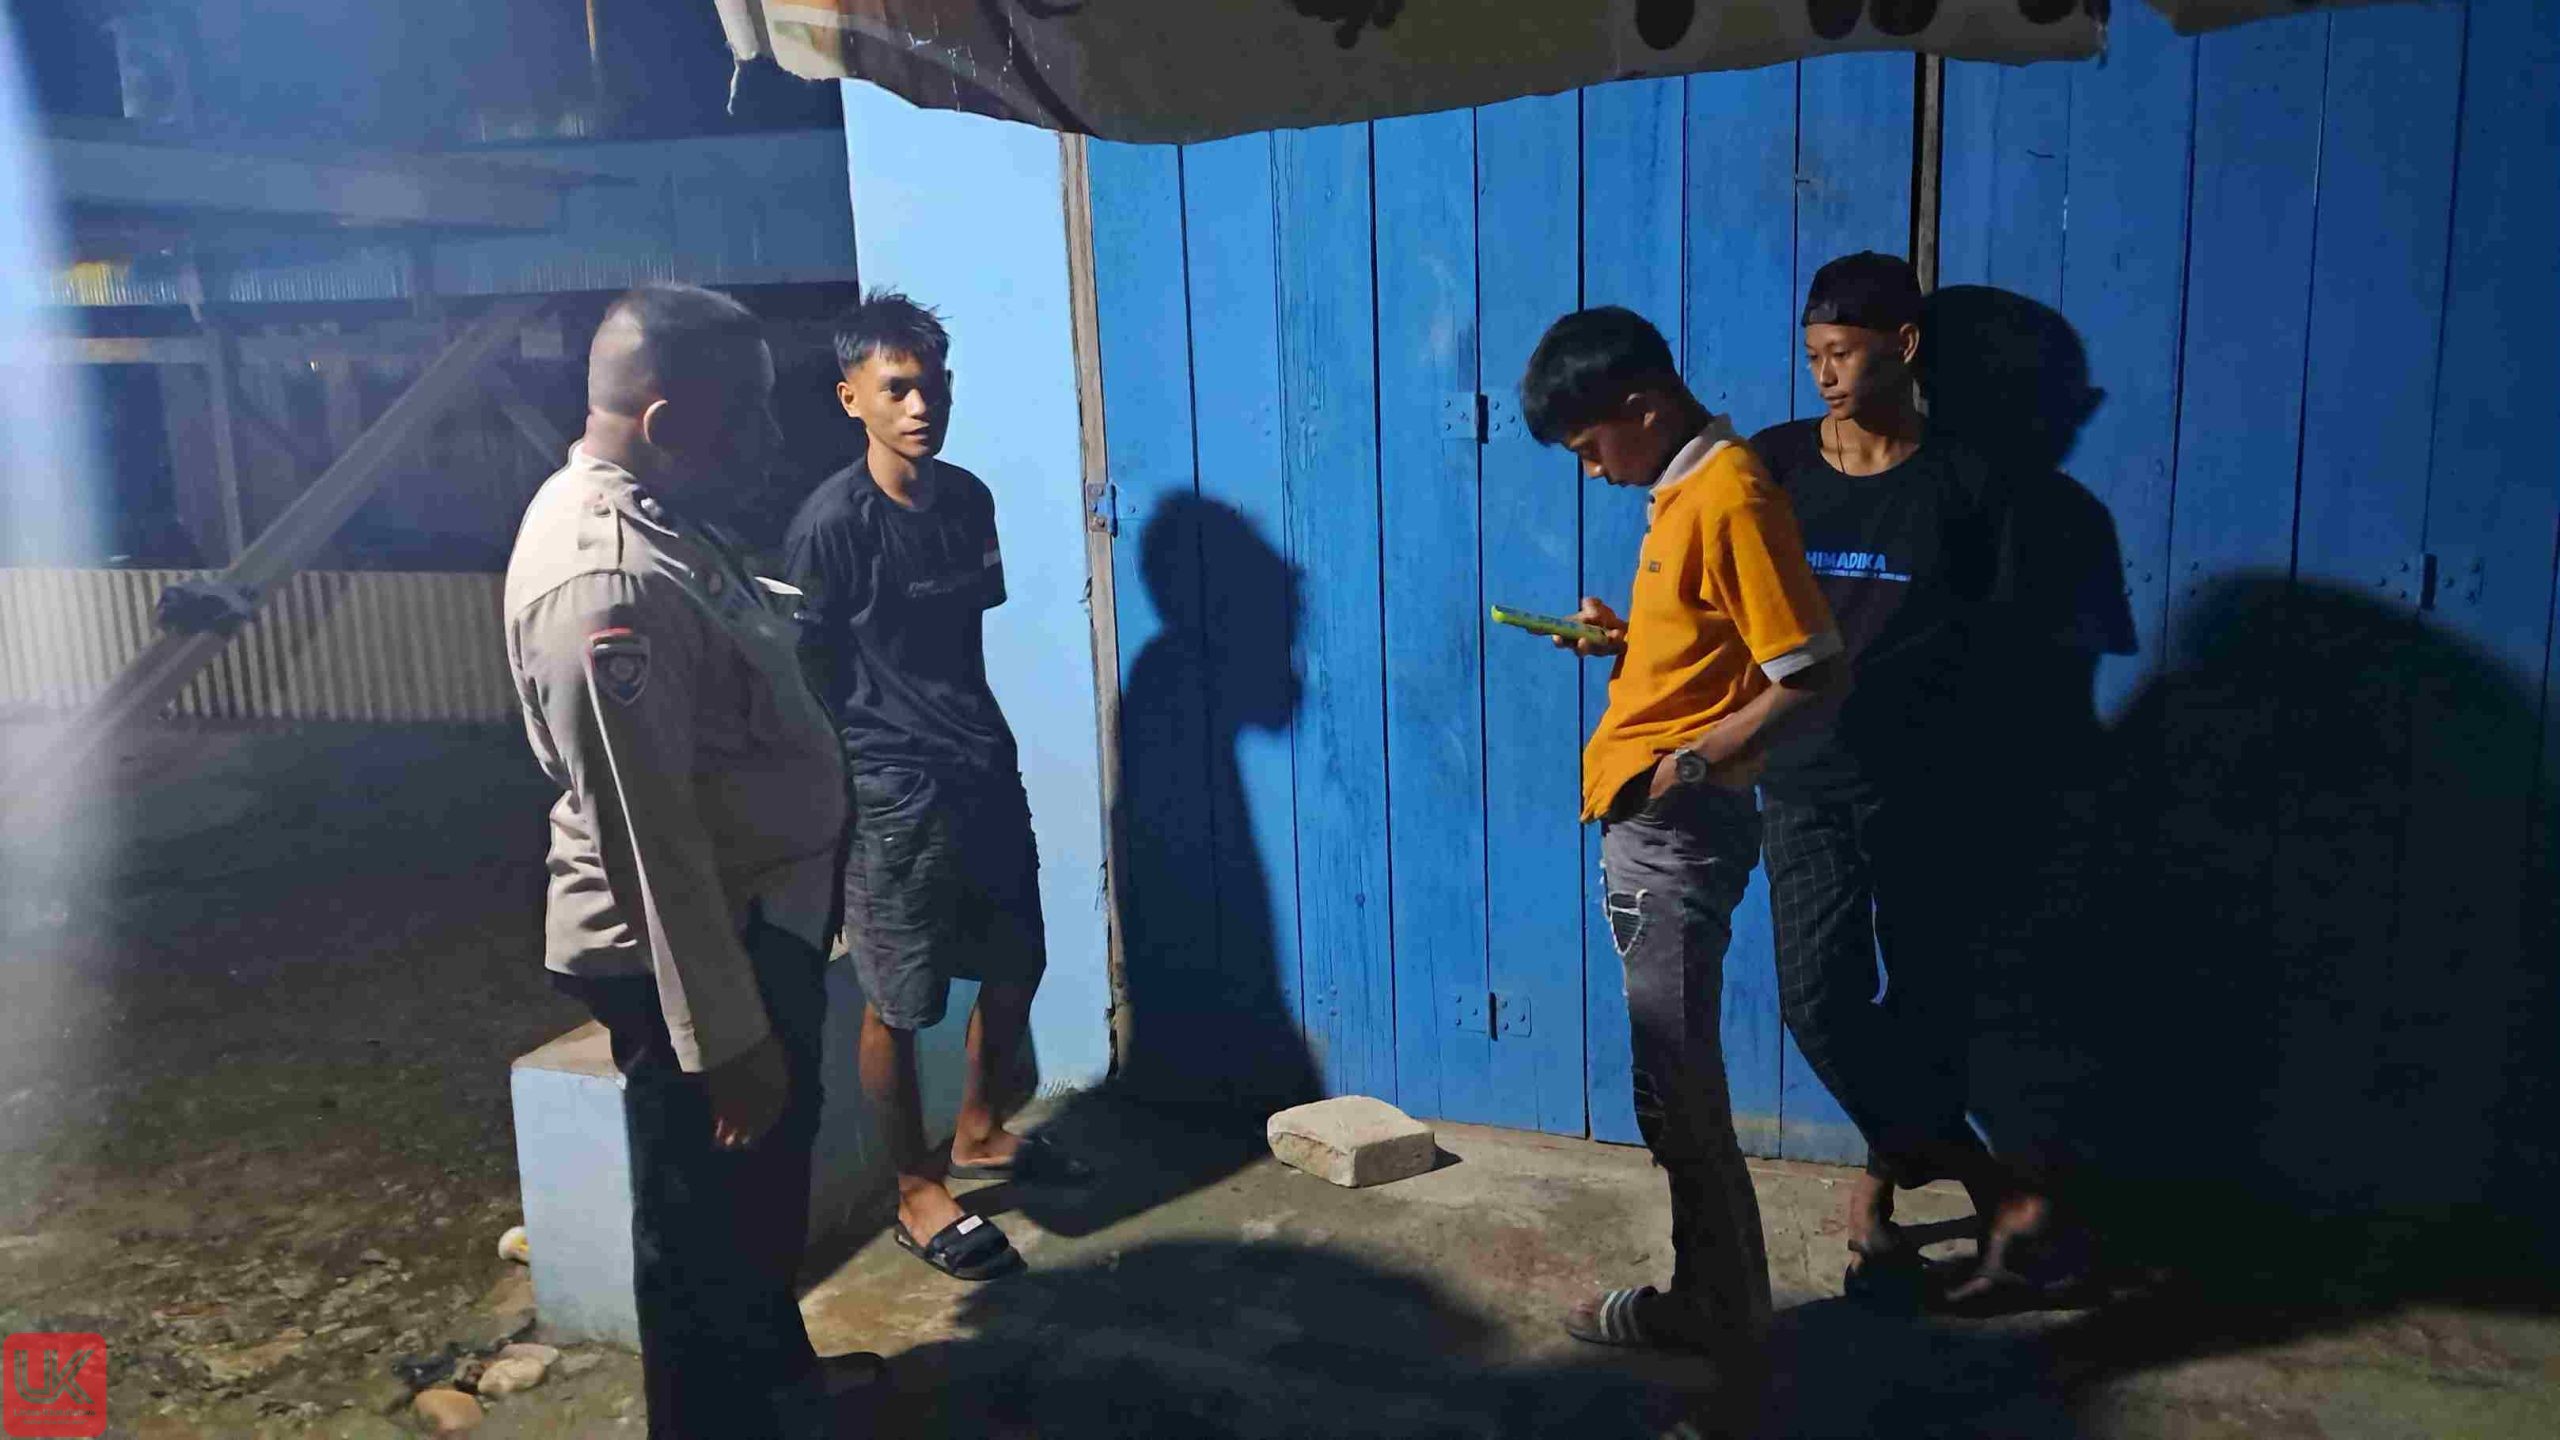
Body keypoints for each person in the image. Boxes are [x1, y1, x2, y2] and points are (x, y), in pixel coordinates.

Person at [502, 283, 881, 1439]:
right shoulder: (604, 579)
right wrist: (722, 1042)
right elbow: (649, 841)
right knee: (702, 1226)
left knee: (755, 1202)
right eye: (749, 413)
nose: (771, 436)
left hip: (754, 919)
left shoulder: (665, 515)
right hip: (698, 946)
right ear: (666, 422)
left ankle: (776, 1384)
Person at [1521, 305, 1845, 1358]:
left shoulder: (1729, 494)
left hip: (1678, 829)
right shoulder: (1682, 492)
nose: (1591, 471)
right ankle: (1717, 1298)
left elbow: (1811, 670)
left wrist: (1685, 767)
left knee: (1677, 1086)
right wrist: (1626, 644)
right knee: (1670, 1080)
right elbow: (1718, 649)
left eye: (1590, 447)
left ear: (1644, 407)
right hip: (1653, 825)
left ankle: (1716, 1311)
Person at [1748, 251, 2053, 1308]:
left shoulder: (1967, 480)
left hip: (1928, 786)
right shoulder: (1776, 462)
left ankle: (1872, 1216)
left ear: (1904, 346)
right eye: (1813, 356)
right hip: (1801, 775)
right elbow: (1718, 597)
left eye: (1842, 352)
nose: (1824, 374)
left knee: (1923, 1008)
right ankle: (1998, 1190)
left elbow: (2006, 649)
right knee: (1816, 999)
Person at [783, 289, 1087, 1285]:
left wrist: (973, 740)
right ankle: (916, 1192)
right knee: (900, 1000)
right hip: (892, 788)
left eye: (935, 387)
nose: (922, 406)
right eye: (898, 389)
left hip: (978, 763)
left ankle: (980, 1131)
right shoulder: (831, 525)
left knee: (1017, 960)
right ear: (852, 399)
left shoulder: (966, 500)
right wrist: (850, 788)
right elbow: (807, 669)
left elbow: (959, 640)